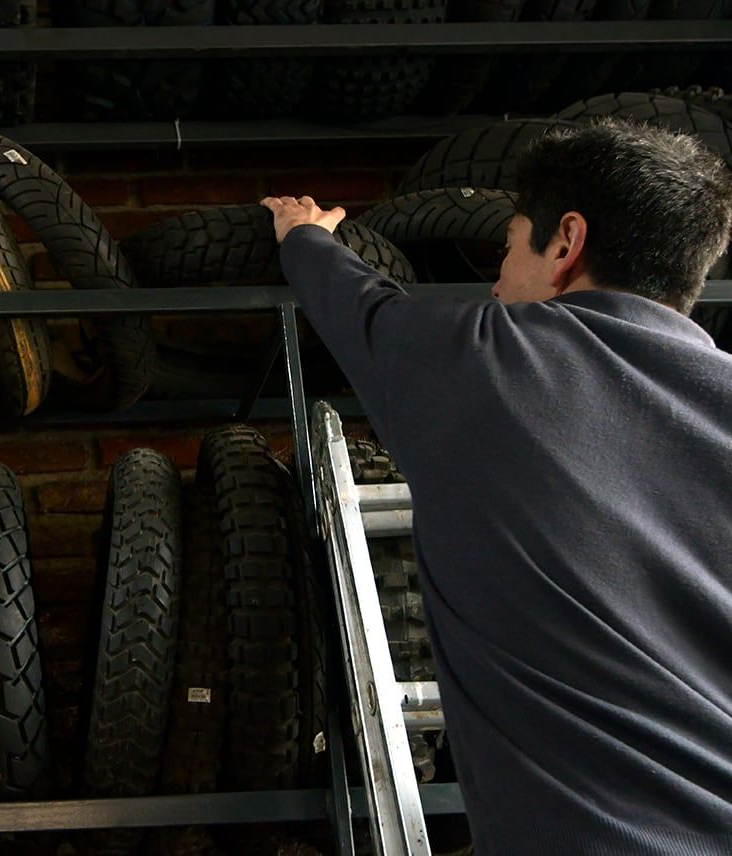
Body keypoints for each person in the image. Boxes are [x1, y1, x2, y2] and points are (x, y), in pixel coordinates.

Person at [262, 118, 732, 855]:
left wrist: (304, 234)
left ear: (566, 244)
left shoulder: (485, 361)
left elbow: (357, 304)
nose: (497, 279)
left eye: (511, 247)